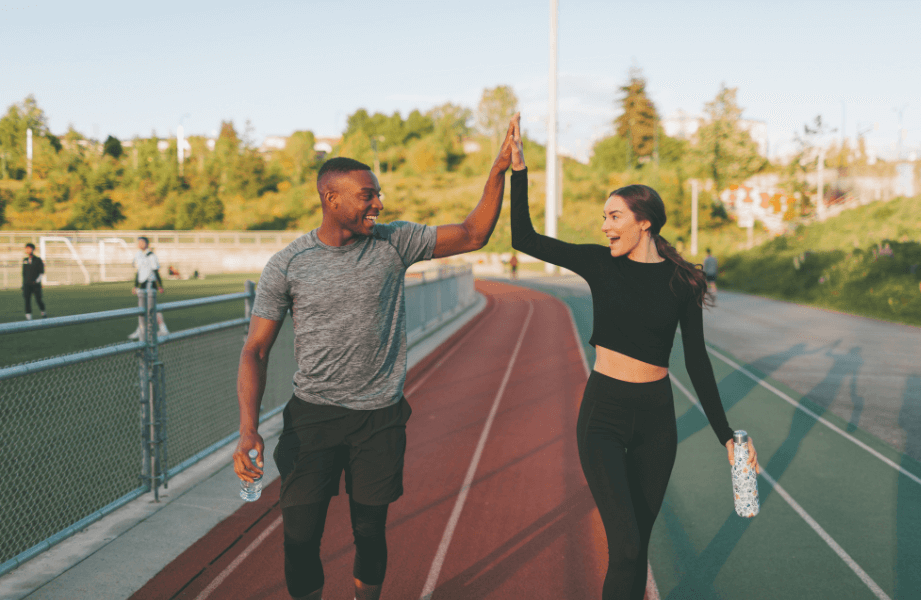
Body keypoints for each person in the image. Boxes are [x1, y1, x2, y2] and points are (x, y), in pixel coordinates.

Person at [232, 114, 520, 600]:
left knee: (370, 533)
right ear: (332, 198)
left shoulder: (394, 242)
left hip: (379, 419)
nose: (378, 203)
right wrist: (247, 427)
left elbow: (473, 234)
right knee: (300, 539)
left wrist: (497, 171)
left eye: (377, 193)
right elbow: (255, 350)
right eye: (368, 195)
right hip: (313, 418)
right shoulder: (288, 265)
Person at [508, 117, 758, 600]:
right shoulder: (600, 263)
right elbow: (525, 238)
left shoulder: (683, 281)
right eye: (604, 217)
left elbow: (698, 362)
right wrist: (519, 172)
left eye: (614, 217)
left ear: (644, 221)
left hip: (657, 421)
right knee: (624, 545)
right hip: (604, 413)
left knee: (635, 548)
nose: (605, 227)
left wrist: (726, 436)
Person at [130, 236, 170, 339]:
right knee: (142, 308)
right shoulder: (139, 255)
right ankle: (141, 330)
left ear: (147, 244)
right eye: (139, 242)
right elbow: (139, 272)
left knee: (152, 307)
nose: (140, 244)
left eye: (142, 242)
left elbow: (155, 271)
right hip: (142, 284)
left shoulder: (152, 256)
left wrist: (160, 286)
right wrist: (135, 286)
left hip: (150, 283)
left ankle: (162, 328)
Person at [22, 243, 46, 320]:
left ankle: (43, 312)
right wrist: (23, 284)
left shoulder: (38, 260)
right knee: (27, 300)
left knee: (38, 299)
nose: (28, 250)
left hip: (35, 285)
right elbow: (24, 273)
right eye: (26, 248)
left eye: (29, 248)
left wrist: (36, 281)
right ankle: (28, 316)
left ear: (33, 249)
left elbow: (41, 272)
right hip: (27, 285)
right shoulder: (25, 260)